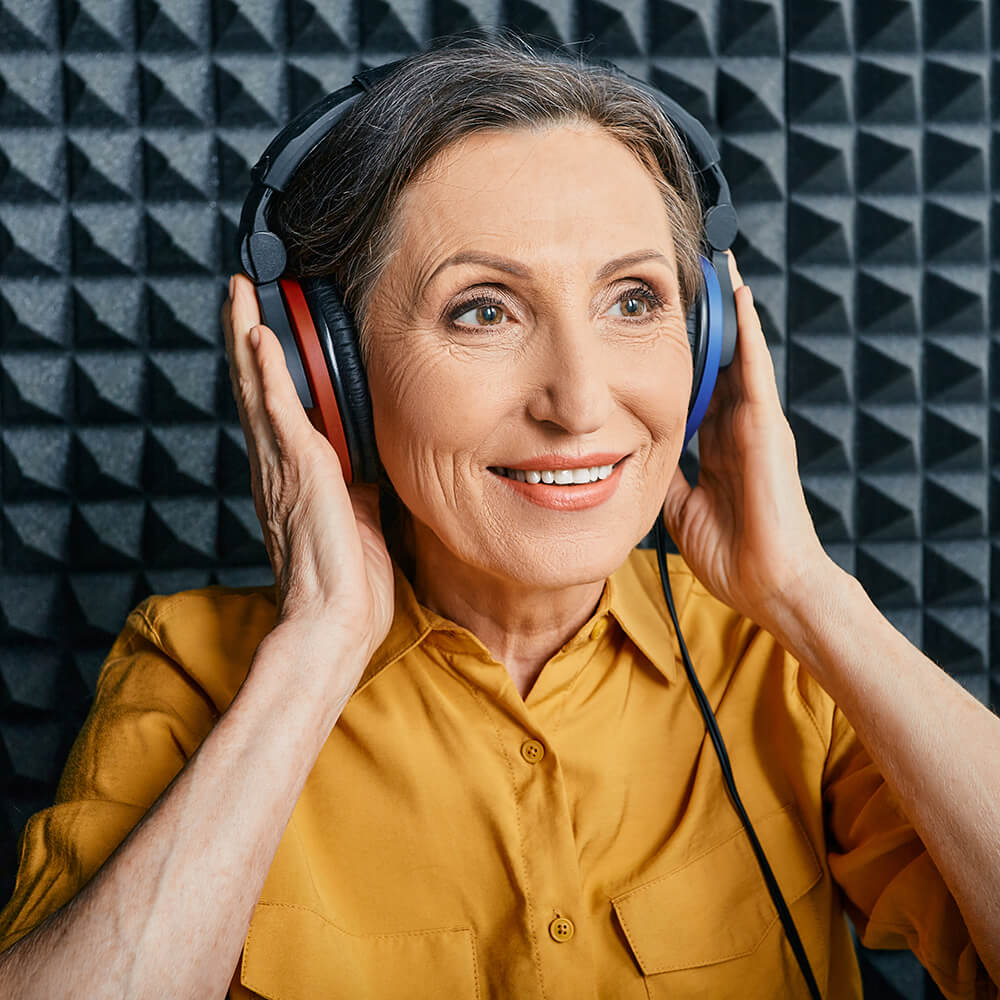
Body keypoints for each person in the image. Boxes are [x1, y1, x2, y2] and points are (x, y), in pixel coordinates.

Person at [0, 31, 997, 1000]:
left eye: (634, 301)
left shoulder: (777, 659)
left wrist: (808, 594)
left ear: (707, 345)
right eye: (484, 309)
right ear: (327, 374)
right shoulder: (190, 672)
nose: (578, 401)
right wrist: (316, 652)